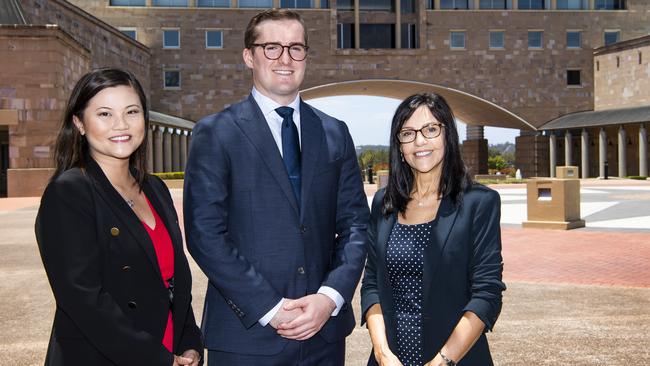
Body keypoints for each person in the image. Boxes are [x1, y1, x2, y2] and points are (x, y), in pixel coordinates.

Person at [183, 9, 369, 366]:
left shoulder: (335, 132)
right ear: (249, 56)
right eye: (272, 47)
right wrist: (269, 308)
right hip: (247, 337)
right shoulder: (215, 133)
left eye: (296, 47)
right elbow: (205, 233)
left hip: (323, 337)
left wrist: (329, 297)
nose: (285, 58)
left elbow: (356, 225)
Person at [35, 68, 203, 366]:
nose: (121, 125)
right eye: (104, 114)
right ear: (79, 123)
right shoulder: (69, 192)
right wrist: (157, 358)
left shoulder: (155, 189)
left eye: (131, 111)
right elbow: (83, 298)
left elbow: (174, 280)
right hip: (106, 356)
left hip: (168, 347)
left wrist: (190, 341)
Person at [360, 92, 506, 366]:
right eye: (408, 133)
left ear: (447, 135)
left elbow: (486, 293)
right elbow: (371, 283)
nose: (419, 141)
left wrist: (442, 361)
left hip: (455, 359)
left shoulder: (479, 203)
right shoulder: (384, 203)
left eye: (430, 129)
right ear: (399, 146)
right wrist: (382, 353)